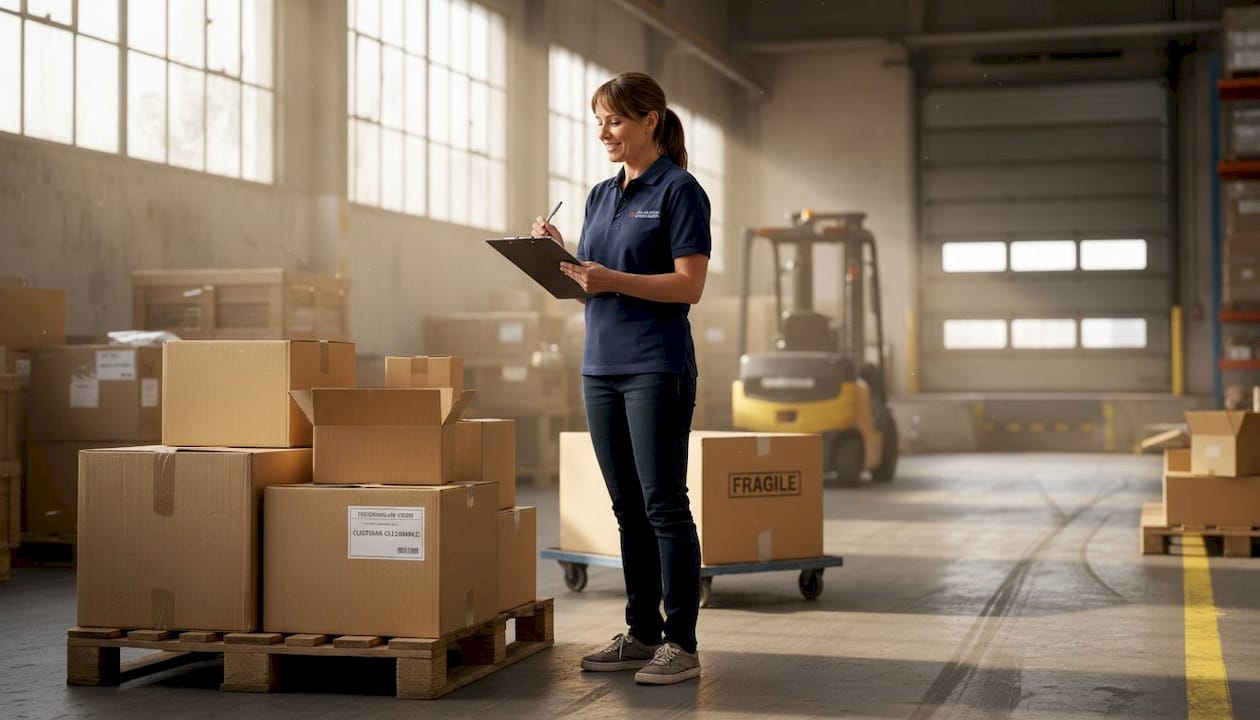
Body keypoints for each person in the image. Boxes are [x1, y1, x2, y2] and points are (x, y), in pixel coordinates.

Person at [532, 71, 710, 686]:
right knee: (627, 508)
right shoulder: (600, 195)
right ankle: (640, 634)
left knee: (664, 505)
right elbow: (593, 285)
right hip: (600, 366)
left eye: (614, 120)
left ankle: (680, 643)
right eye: (599, 122)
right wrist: (560, 260)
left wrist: (608, 278)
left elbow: (689, 285)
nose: (604, 132)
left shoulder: (680, 191)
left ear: (650, 121)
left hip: (656, 366)